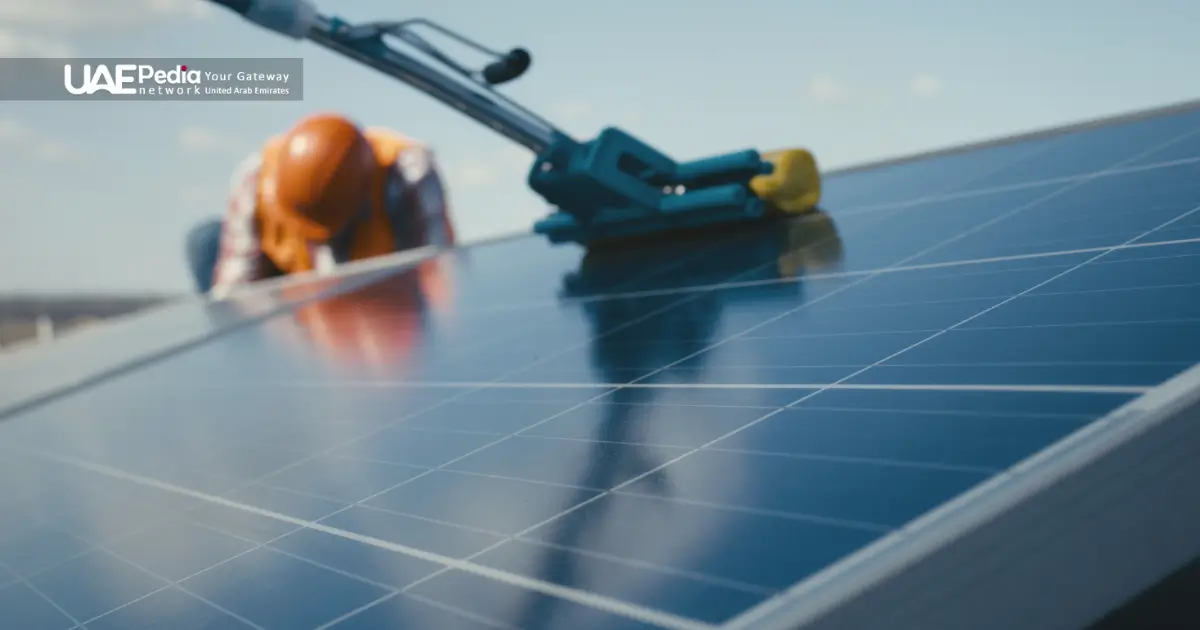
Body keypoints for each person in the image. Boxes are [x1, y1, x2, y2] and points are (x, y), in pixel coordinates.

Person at [185, 112, 456, 296]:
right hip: (294, 303)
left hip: (390, 301)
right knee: (205, 239)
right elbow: (237, 288)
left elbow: (441, 271)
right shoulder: (255, 180)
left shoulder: (408, 170)